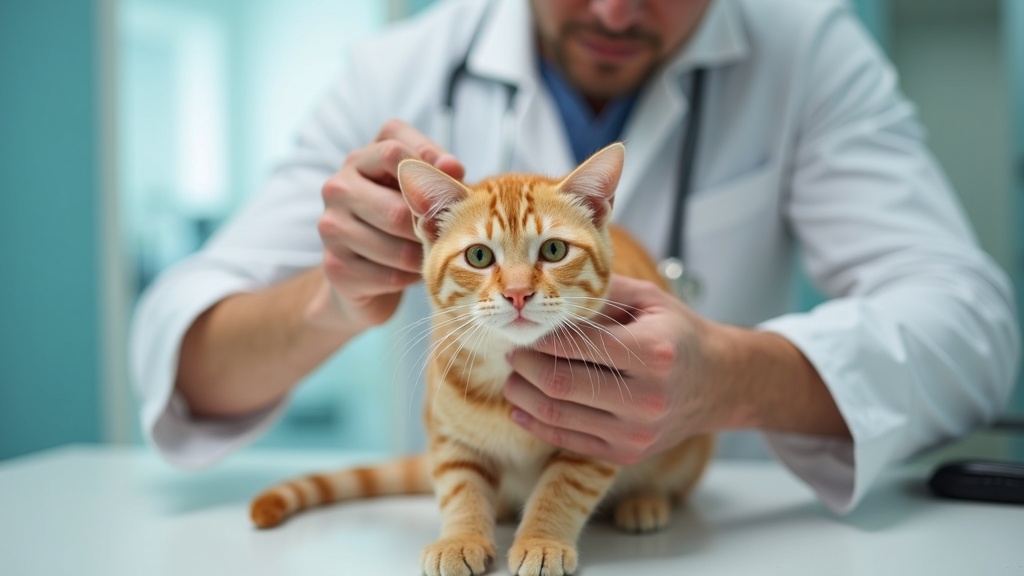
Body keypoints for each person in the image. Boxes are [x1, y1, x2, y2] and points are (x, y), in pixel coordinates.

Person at [130, 0, 1021, 515]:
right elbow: (177, 346)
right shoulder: (394, 67)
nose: (615, 12)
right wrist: (336, 299)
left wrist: (730, 378)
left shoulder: (812, 50)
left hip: (707, 528)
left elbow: (972, 321)